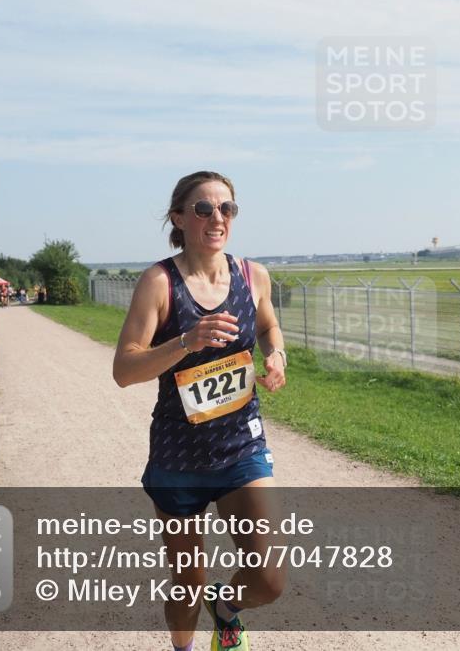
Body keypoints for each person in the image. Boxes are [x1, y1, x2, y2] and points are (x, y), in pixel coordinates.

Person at [113, 171, 287, 651]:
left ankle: (227, 609)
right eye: (204, 209)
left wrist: (277, 355)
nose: (217, 218)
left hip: (241, 447)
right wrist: (186, 342)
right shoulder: (158, 282)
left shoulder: (253, 275)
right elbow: (124, 369)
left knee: (269, 579)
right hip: (178, 455)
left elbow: (271, 327)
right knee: (187, 583)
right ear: (178, 217)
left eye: (226, 208)